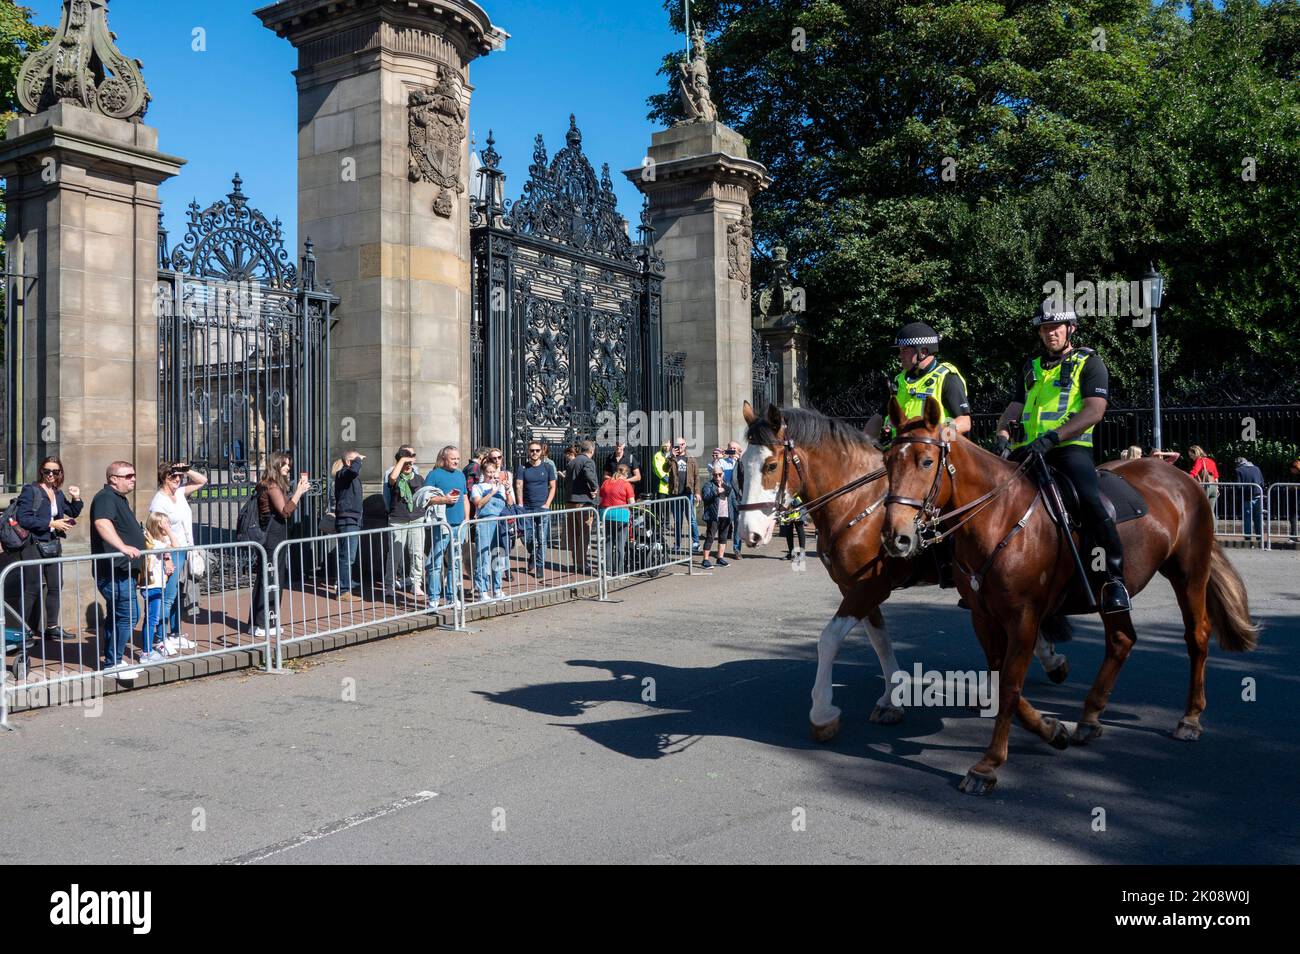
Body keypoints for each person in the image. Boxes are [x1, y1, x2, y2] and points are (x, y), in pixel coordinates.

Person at [995, 303, 1130, 613]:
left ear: (1071, 329)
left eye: (1056, 327)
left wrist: (1055, 436)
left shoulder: (1090, 363)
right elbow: (1016, 407)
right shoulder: (1031, 367)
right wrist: (1003, 433)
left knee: (1090, 499)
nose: (1049, 333)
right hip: (1029, 450)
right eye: (1044, 328)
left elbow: (1094, 410)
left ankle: (1114, 579)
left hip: (1069, 449)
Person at [866, 321, 973, 441]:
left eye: (904, 350)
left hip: (934, 454)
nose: (900, 356)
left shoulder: (947, 377)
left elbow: (965, 422)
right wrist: (861, 443)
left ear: (923, 352)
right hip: (900, 452)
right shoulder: (898, 381)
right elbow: (879, 417)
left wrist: (937, 437)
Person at [15, 455, 82, 640]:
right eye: (47, 471)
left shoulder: (58, 493)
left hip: (52, 544)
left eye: (55, 471)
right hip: (33, 544)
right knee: (32, 587)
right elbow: (24, 518)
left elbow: (72, 511)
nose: (50, 474)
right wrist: (52, 524)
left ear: (60, 473)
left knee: (55, 586)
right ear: (41, 472)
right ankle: (22, 631)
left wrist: (76, 497)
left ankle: (52, 627)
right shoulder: (31, 490)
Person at [89, 461, 145, 670]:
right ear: (113, 478)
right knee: (129, 615)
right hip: (114, 571)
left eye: (134, 475)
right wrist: (122, 546)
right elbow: (102, 523)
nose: (133, 479)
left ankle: (113, 660)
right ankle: (114, 662)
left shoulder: (119, 499)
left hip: (123, 570)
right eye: (128, 476)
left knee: (117, 616)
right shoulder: (105, 498)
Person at [250, 452, 310, 637]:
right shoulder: (271, 485)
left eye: (288, 464)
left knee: (267, 578)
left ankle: (260, 622)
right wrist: (299, 492)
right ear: (276, 465)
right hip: (272, 536)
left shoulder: (269, 484)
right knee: (272, 578)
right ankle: (265, 623)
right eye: (284, 464)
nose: (288, 467)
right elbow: (285, 511)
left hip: (273, 535)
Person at [148, 460, 207, 652]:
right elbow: (156, 532)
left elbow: (202, 480)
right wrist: (166, 558)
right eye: (173, 476)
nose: (178, 479)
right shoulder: (159, 501)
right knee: (168, 596)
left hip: (185, 549)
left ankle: (174, 633)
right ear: (164, 477)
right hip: (170, 552)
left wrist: (186, 469)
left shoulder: (180, 493)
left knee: (180, 595)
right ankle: (160, 638)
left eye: (179, 476)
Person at [423, 445, 467, 608]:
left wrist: (467, 519)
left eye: (457, 458)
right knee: (436, 561)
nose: (456, 461)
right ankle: (433, 598)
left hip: (459, 525)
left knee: (455, 563)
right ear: (444, 459)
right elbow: (425, 499)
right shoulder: (434, 475)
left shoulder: (461, 474)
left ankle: (451, 597)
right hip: (441, 525)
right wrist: (445, 500)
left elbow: (465, 498)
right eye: (452, 458)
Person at [387, 448, 428, 598]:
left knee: (417, 553)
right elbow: (392, 478)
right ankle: (390, 584)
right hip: (398, 519)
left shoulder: (418, 478)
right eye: (406, 460)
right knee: (395, 555)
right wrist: (403, 460)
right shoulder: (395, 476)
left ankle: (416, 584)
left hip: (416, 518)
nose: (409, 463)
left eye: (412, 460)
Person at [470, 457, 512, 601]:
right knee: (484, 558)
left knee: (498, 556)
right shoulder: (478, 487)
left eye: (493, 471)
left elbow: (510, 504)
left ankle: (498, 589)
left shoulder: (500, 486)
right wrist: (492, 492)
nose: (491, 474)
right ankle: (482, 590)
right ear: (483, 472)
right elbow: (478, 503)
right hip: (485, 524)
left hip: (499, 524)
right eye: (488, 472)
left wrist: (507, 490)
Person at [514, 440, 557, 579]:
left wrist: (548, 503)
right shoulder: (522, 468)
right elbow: (519, 485)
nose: (534, 453)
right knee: (526, 536)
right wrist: (520, 504)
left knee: (542, 538)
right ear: (528, 451)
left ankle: (539, 566)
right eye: (532, 450)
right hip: (526, 508)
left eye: (537, 450)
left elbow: (553, 486)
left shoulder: (547, 467)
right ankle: (533, 552)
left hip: (542, 508)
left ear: (541, 452)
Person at [138, 513, 176, 664]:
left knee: (152, 618)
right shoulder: (155, 543)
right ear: (159, 526)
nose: (169, 525)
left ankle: (150, 649)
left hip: (157, 585)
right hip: (153, 586)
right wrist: (170, 531)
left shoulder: (158, 542)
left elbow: (169, 551)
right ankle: (146, 653)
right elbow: (177, 545)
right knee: (152, 619)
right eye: (166, 523)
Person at [333, 450, 365, 601]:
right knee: (347, 557)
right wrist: (357, 459)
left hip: (353, 520)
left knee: (349, 556)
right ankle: (344, 591)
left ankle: (345, 585)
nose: (359, 463)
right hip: (347, 520)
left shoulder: (350, 476)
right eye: (355, 460)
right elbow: (352, 471)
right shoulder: (343, 474)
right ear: (348, 462)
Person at [565, 440, 599, 574]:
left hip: (570, 502)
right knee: (584, 535)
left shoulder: (572, 461)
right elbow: (588, 474)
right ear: (592, 450)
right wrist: (595, 487)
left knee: (575, 534)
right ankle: (582, 564)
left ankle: (576, 562)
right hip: (583, 502)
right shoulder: (587, 461)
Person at [598, 463, 636, 576]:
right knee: (620, 545)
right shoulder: (626, 484)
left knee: (608, 544)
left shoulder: (605, 483)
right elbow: (632, 503)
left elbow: (600, 500)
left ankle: (608, 571)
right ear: (625, 474)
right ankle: (619, 571)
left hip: (606, 515)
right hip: (621, 516)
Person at [666, 438, 700, 553]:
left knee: (691, 519)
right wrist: (671, 457)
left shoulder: (691, 459)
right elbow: (665, 469)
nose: (679, 447)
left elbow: (696, 477)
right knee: (677, 521)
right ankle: (677, 544)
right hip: (675, 494)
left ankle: (696, 543)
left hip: (688, 493)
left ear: (685, 445)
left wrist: (697, 492)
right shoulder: (671, 458)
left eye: (681, 444)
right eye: (677, 445)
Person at [700, 464, 732, 569]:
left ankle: (720, 558)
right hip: (713, 515)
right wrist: (716, 491)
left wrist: (737, 510)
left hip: (725, 514)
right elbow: (705, 497)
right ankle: (705, 560)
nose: (717, 477)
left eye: (719, 474)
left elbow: (731, 495)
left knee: (723, 537)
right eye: (715, 475)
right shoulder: (708, 485)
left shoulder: (726, 483)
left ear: (723, 474)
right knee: (710, 537)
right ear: (712, 475)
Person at [1232, 456, 1265, 547]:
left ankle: (1248, 537)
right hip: (1258, 495)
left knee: (1247, 518)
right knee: (1258, 517)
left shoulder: (1239, 470)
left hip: (1247, 497)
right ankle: (1259, 537)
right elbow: (1262, 483)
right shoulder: (1256, 468)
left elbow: (1238, 486)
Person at [1187, 445, 1220, 514]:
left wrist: (1185, 480)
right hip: (1214, 487)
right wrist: (1217, 488)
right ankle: (1213, 525)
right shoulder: (1211, 461)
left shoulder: (1199, 461)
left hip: (1206, 486)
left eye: (1191, 455)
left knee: (1202, 509)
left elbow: (1194, 472)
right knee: (1211, 512)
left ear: (1195, 453)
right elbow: (1216, 476)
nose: (1190, 457)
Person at [781, 494, 807, 561]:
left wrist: (792, 503)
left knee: (800, 530)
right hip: (787, 509)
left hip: (798, 508)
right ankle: (791, 553)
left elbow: (801, 495)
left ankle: (802, 553)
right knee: (788, 531)